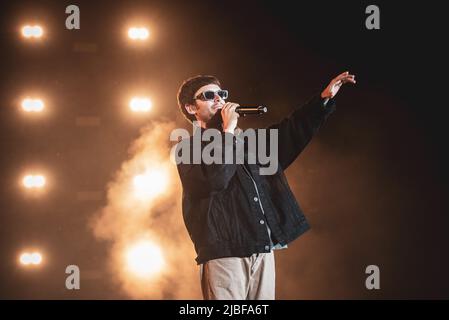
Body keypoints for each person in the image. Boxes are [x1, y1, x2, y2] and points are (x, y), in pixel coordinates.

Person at [175, 72, 356, 299]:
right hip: (225, 254)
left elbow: (291, 131)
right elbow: (215, 179)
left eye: (222, 94)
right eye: (209, 95)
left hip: (262, 248)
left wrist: (323, 99)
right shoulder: (188, 148)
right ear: (191, 108)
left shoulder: (250, 143)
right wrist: (228, 132)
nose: (219, 99)